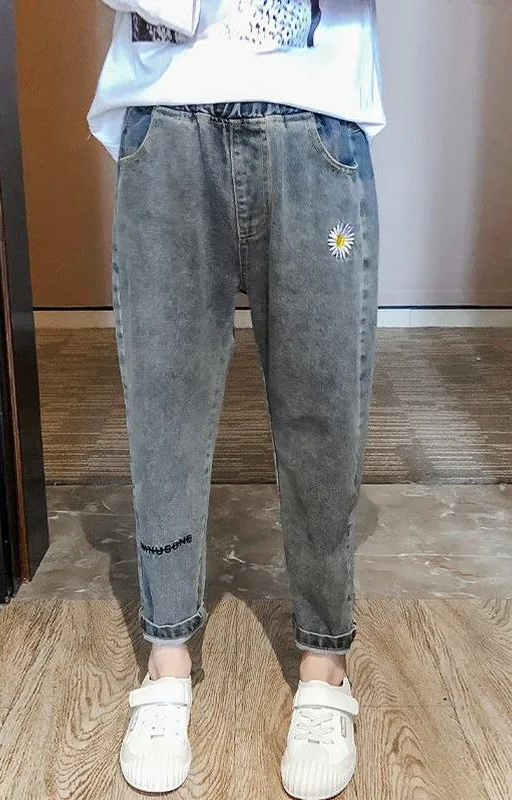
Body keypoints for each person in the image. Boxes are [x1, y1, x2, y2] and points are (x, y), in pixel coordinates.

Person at [88, 2, 383, 797]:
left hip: (314, 119)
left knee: (323, 409)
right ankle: (166, 663)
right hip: (166, 120)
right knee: (165, 408)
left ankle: (324, 668)